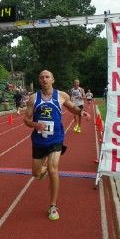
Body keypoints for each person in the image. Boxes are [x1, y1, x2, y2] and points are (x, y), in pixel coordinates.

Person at [24, 70, 90, 221]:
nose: (44, 79)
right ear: (39, 81)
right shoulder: (33, 98)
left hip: (56, 137)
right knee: (36, 174)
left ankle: (53, 206)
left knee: (54, 169)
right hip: (39, 139)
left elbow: (72, 107)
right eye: (41, 77)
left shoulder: (62, 96)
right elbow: (26, 119)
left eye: (47, 77)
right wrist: (35, 124)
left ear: (53, 79)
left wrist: (81, 112)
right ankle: (44, 168)